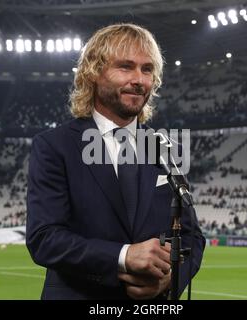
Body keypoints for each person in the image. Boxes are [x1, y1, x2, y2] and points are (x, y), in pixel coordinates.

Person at [26, 23, 205, 300]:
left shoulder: (166, 148)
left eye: (147, 70)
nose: (139, 79)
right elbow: (45, 238)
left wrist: (170, 279)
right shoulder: (54, 146)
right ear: (94, 73)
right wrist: (123, 256)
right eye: (125, 67)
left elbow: (192, 238)